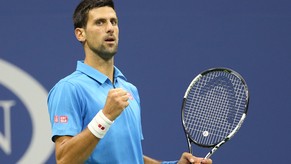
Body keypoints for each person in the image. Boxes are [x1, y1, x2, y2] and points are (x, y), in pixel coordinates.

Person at [47, 0, 213, 163]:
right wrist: (105, 117)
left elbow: (129, 157)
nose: (110, 28)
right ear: (80, 34)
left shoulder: (129, 89)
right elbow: (64, 159)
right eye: (100, 22)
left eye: (114, 22)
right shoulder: (68, 89)